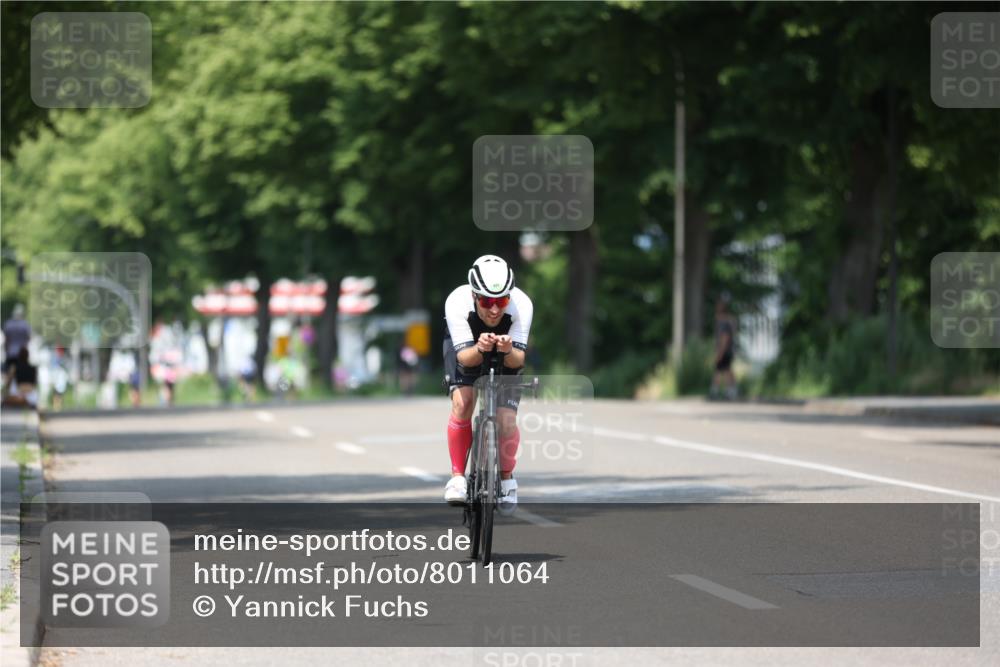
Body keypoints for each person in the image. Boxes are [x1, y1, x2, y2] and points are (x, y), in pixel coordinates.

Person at [442, 255, 533, 515]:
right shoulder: (457, 302)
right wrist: (480, 348)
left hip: (506, 354)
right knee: (464, 402)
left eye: (501, 301)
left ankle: (506, 478)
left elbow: (517, 361)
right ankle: (457, 476)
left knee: (505, 420)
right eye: (487, 301)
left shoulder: (521, 305)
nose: (495, 309)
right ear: (473, 295)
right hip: (467, 348)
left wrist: (506, 349)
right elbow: (464, 358)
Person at [711, 293, 738, 400]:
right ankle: (730, 391)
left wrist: (720, 352)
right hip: (728, 350)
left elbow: (725, 338)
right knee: (726, 370)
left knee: (721, 371)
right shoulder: (727, 321)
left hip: (724, 350)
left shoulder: (723, 323)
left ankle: (717, 392)